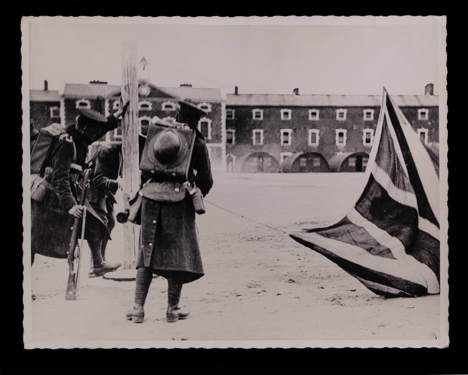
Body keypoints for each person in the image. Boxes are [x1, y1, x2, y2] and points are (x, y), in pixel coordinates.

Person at [126, 100, 213, 323]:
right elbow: (207, 180)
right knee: (177, 256)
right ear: (197, 121)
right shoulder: (197, 143)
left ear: (178, 115)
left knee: (146, 254)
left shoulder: (157, 134)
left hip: (150, 198)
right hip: (180, 202)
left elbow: (145, 170)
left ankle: (138, 309)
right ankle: (172, 310)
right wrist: (194, 193)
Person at [31, 101, 129, 277]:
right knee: (32, 243)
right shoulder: (67, 144)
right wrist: (70, 205)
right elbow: (60, 177)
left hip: (65, 192)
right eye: (93, 131)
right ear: (85, 129)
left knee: (95, 222)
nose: (95, 135)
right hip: (53, 198)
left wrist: (115, 118)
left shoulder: (78, 137)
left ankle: (98, 263)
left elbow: (99, 130)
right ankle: (96, 264)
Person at [87, 142, 123, 277]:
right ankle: (97, 265)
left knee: (111, 221)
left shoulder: (121, 153)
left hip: (104, 192)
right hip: (93, 190)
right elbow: (98, 179)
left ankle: (100, 262)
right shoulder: (107, 152)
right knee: (100, 222)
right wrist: (117, 184)